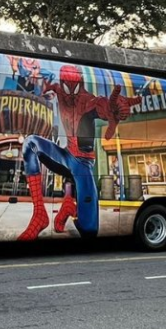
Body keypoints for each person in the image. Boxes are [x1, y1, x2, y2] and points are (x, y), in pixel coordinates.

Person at [18, 65, 141, 240]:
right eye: (67, 87)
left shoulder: (87, 100)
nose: (70, 94)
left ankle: (69, 206)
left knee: (89, 229)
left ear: (81, 84)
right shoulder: (59, 90)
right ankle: (39, 214)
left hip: (83, 164)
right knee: (31, 143)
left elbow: (101, 105)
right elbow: (47, 83)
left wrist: (114, 108)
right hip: (65, 155)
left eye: (74, 88)